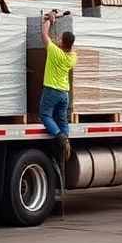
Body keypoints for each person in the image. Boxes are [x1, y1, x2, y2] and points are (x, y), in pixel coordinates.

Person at [40, 11, 78, 160]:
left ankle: (60, 137)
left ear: (62, 42)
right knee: (62, 119)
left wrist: (50, 19)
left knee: (45, 115)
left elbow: (44, 34)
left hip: (51, 91)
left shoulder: (54, 52)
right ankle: (65, 141)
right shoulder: (72, 58)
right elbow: (68, 47)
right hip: (64, 94)